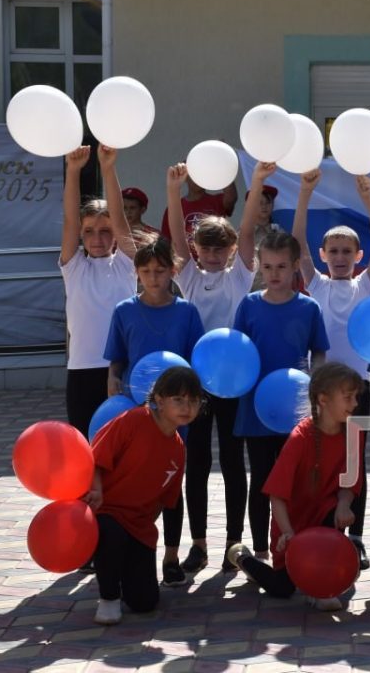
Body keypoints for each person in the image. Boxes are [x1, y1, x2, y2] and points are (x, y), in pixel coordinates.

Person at [101, 147, 206, 587]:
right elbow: (117, 360)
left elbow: (198, 361)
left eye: (162, 271)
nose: (154, 278)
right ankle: (125, 545)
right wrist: (113, 392)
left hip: (181, 413)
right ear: (137, 273)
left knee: (174, 485)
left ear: (171, 272)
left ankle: (171, 553)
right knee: (138, 479)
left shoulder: (186, 312)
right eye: (147, 272)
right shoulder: (124, 311)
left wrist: (192, 405)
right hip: (139, 412)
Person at [164, 161, 263, 577]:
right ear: (195, 249)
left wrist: (255, 181)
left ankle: (232, 545)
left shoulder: (240, 275)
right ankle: (200, 544)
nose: (213, 254)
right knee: (198, 463)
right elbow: (174, 237)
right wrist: (174, 189)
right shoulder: (186, 275)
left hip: (236, 381)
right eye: (206, 248)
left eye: (220, 247)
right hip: (196, 386)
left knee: (235, 464)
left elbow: (247, 229)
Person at [292, 168, 370, 569]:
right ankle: (323, 527)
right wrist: (305, 194)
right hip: (322, 392)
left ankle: (357, 537)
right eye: (334, 252)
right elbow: (296, 244)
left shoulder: (366, 285)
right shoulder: (317, 286)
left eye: (348, 252)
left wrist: (368, 198)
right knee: (319, 461)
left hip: (358, 390)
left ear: (358, 257)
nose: (341, 258)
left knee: (354, 463)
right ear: (323, 256)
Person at [227, 362, 364, 612]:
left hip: (325, 515)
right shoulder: (300, 438)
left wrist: (344, 505)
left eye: (356, 397)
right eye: (348, 397)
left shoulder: (354, 433)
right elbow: (276, 496)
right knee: (283, 588)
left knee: (331, 516)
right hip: (291, 525)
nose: (355, 404)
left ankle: (321, 586)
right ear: (323, 399)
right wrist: (288, 533)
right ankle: (242, 558)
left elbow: (349, 484)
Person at [232, 223, 330, 563]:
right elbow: (237, 352)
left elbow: (319, 352)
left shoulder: (308, 308)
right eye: (268, 266)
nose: (274, 273)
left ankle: (295, 542)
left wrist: (315, 383)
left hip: (295, 407)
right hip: (255, 407)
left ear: (294, 266)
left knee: (296, 480)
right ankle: (261, 549)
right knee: (262, 477)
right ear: (260, 266)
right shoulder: (248, 306)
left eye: (282, 266)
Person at [84, 366, 202, 625]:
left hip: (139, 526)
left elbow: (165, 500)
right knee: (110, 533)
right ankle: (108, 597)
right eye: (178, 399)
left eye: (193, 401)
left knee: (145, 603)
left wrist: (142, 529)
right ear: (159, 399)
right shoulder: (132, 420)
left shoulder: (179, 449)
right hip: (107, 512)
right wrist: (97, 491)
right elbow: (95, 457)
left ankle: (123, 571)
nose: (187, 408)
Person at [59, 146, 135, 439]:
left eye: (105, 231)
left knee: (122, 444)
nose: (97, 237)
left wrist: (108, 168)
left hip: (119, 369)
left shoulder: (126, 264)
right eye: (89, 231)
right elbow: (69, 221)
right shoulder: (74, 266)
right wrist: (73, 171)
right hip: (81, 370)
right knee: (85, 444)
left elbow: (119, 219)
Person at [160, 169, 237, 248]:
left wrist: (219, 168)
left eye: (202, 176)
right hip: (185, 258)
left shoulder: (216, 200)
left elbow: (231, 197)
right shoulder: (175, 207)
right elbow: (166, 240)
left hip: (213, 256)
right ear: (186, 178)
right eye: (194, 176)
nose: (198, 180)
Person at [249, 183, 284, 292]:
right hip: (251, 292)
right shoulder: (244, 236)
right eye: (260, 203)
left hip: (278, 292)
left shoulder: (280, 233)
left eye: (268, 202)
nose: (264, 206)